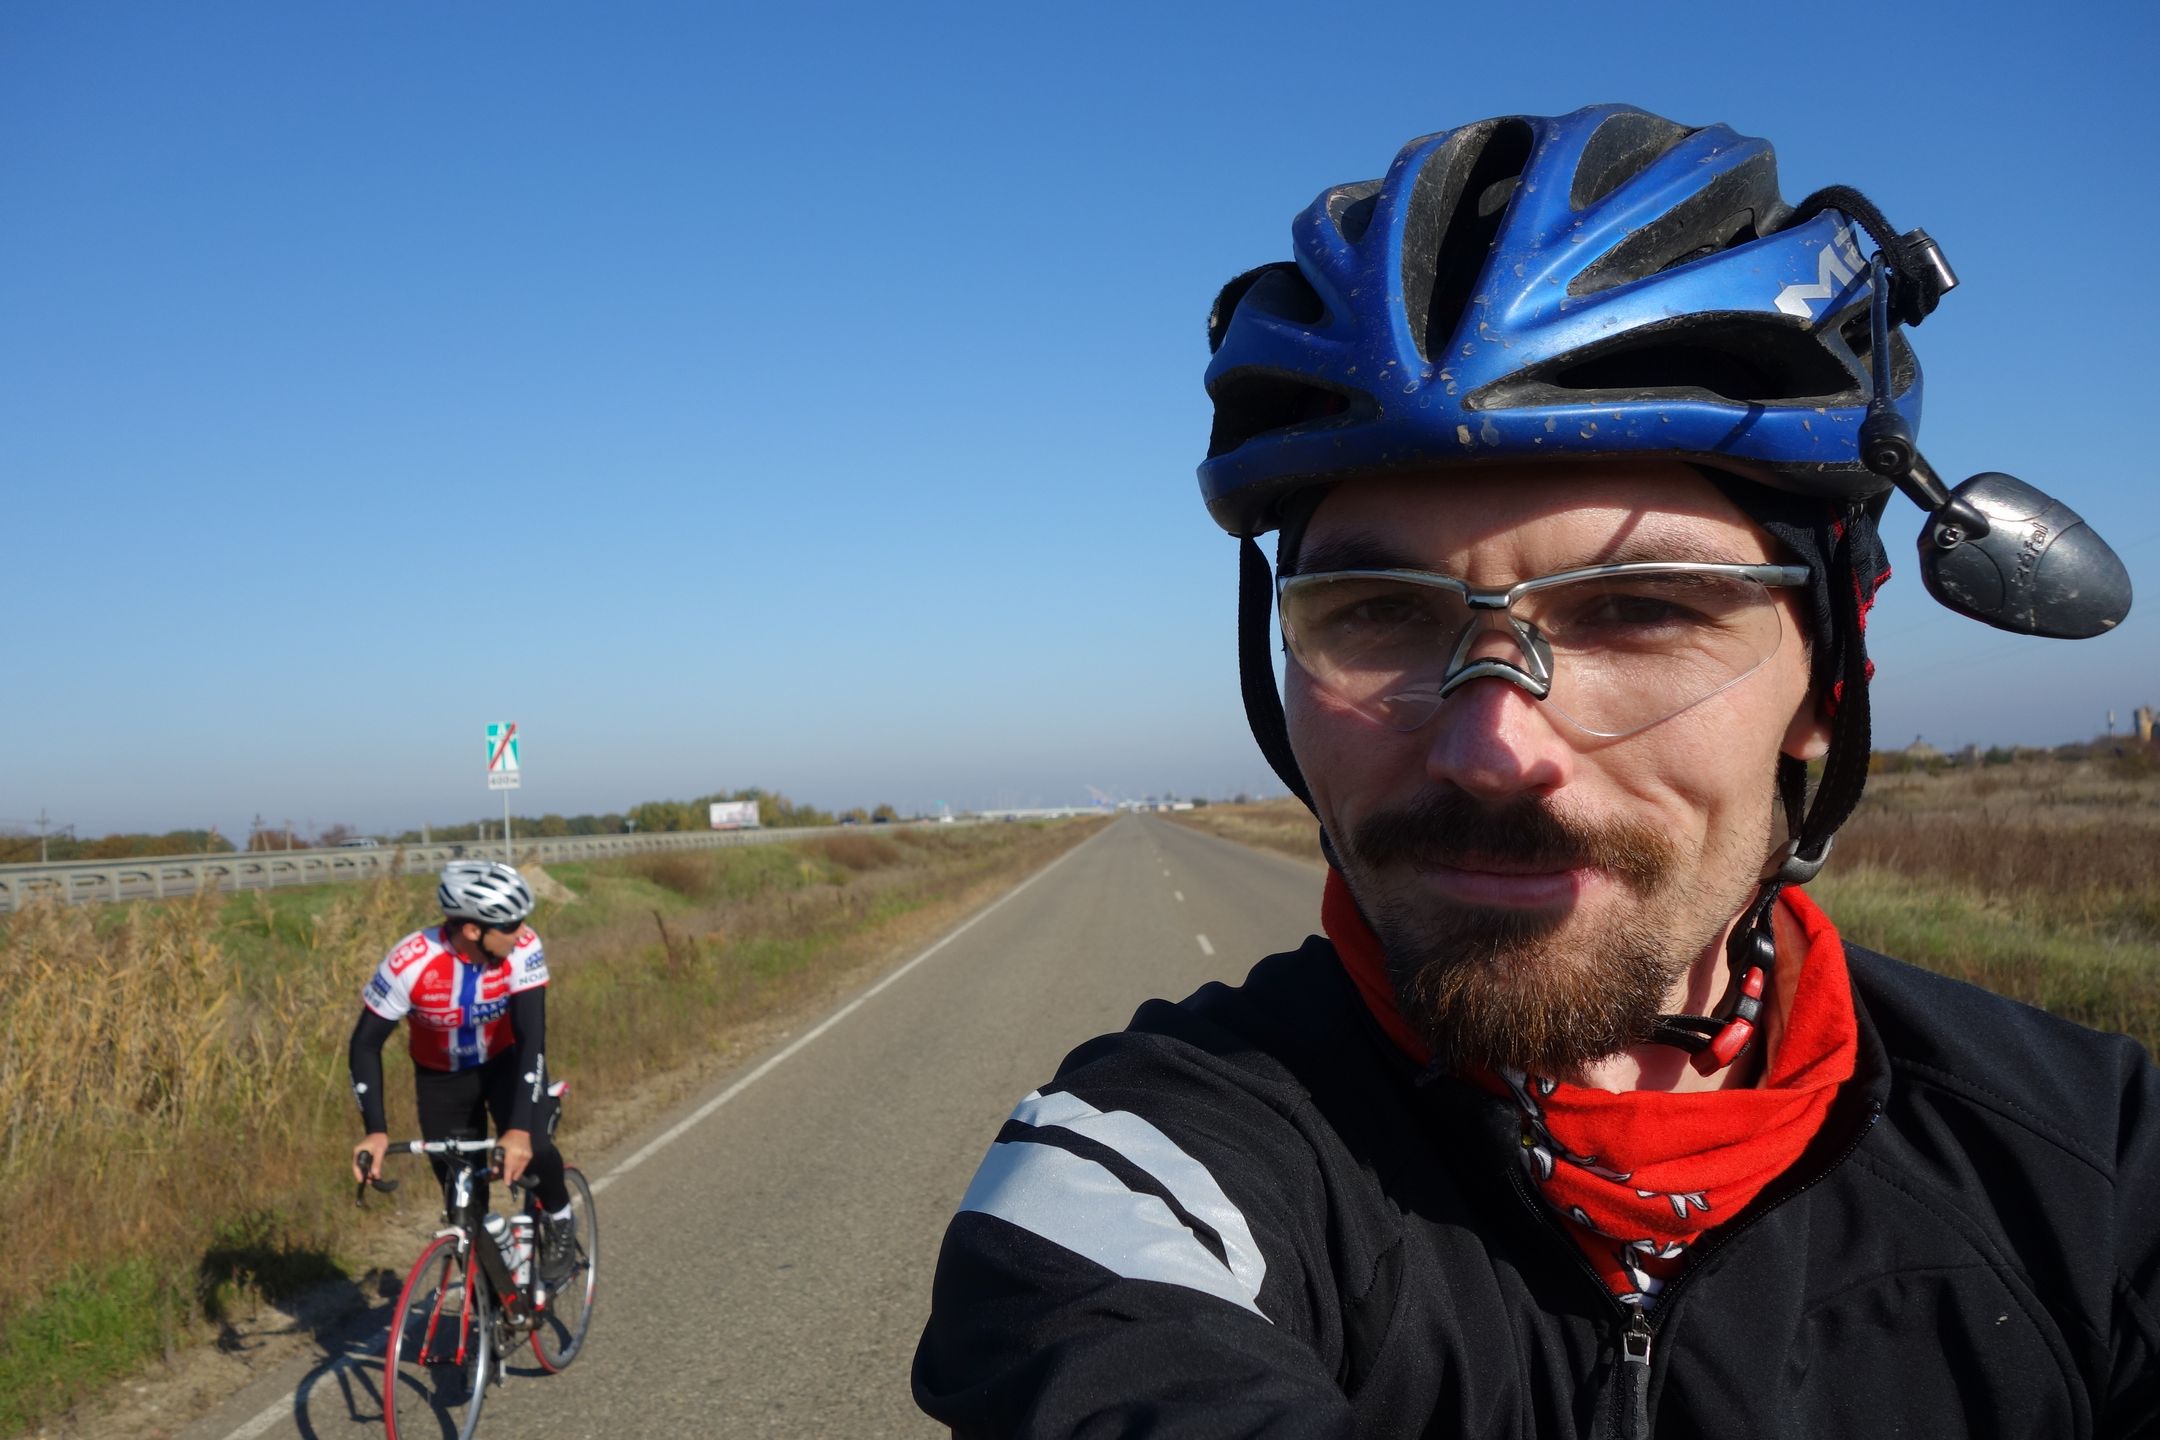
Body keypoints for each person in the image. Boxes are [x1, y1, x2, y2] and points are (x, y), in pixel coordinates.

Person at [913, 105, 2156, 1436]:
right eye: (1377, 615)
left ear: (1829, 677)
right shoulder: (1138, 1177)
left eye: (1641, 610)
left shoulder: (2100, 1166)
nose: (1492, 751)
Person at [349, 860, 578, 1284]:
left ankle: (560, 1218)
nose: (522, 931)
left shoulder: (523, 948)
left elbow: (531, 1038)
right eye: (509, 924)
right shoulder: (410, 962)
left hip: (508, 1063)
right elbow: (364, 1044)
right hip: (442, 1082)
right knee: (463, 1201)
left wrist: (518, 1131)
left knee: (536, 1146)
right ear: (472, 929)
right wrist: (375, 1130)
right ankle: (493, 1297)